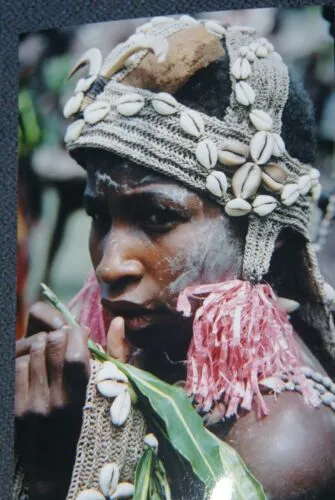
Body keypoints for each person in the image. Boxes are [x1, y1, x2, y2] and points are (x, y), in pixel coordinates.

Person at [14, 15, 335, 500]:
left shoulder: (281, 447)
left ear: (261, 238)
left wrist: (60, 472)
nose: (109, 265)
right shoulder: (163, 355)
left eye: (159, 216)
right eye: (98, 216)